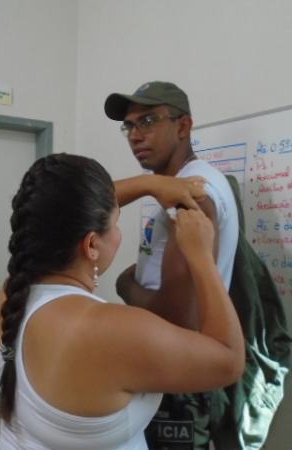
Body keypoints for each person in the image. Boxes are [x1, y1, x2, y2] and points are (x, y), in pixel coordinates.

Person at [0, 153, 244, 450]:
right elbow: (229, 359)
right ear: (91, 245)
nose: (118, 231)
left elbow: (66, 209)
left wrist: (150, 184)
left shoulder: (11, 295)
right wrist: (201, 257)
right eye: (115, 223)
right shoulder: (109, 329)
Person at [105, 81, 240, 449]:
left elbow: (180, 314)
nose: (135, 135)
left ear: (183, 127)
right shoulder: (173, 186)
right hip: (173, 364)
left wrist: (126, 286)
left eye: (147, 121)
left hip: (179, 372)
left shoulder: (193, 194)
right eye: (129, 126)